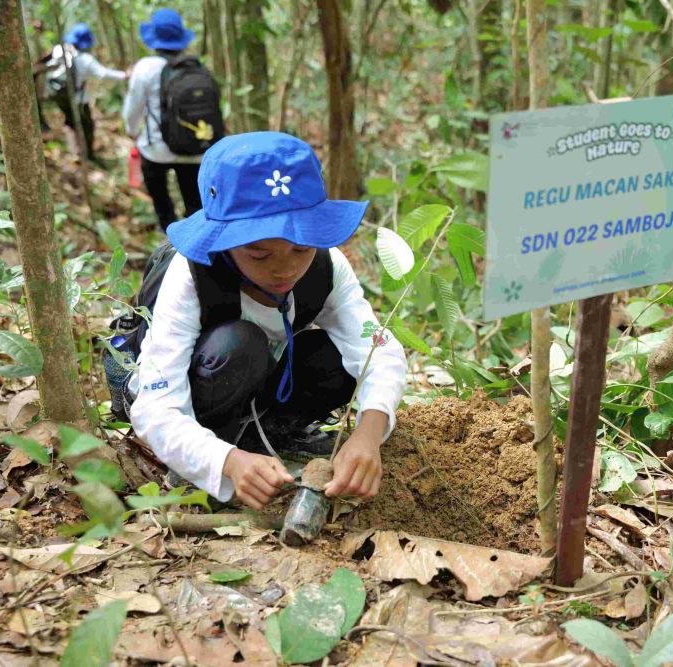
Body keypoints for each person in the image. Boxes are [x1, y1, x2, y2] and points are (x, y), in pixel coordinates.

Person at [117, 132, 407, 510]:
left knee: (336, 358)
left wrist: (369, 434)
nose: (284, 268)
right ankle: (217, 450)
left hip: (265, 388)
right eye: (258, 254)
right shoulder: (192, 276)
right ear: (223, 240)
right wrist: (225, 462)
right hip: (206, 388)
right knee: (239, 344)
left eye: (301, 248)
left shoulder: (326, 267)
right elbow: (155, 407)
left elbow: (378, 349)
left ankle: (271, 433)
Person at [123, 8, 224, 232]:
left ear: (153, 40)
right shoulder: (197, 67)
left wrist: (132, 132)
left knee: (161, 200)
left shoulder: (145, 68)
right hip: (196, 150)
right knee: (195, 204)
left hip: (156, 152)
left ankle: (168, 237)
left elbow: (132, 112)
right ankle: (197, 243)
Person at [42, 22, 128, 162]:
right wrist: (125, 75)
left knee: (70, 123)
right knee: (87, 126)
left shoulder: (60, 50)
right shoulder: (85, 59)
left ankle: (75, 152)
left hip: (57, 95)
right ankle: (88, 156)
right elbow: (103, 73)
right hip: (77, 100)